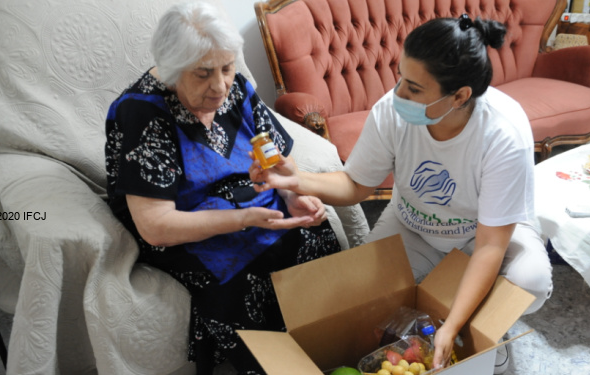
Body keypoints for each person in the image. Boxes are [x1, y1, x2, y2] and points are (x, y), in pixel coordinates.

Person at [251, 15, 552, 374]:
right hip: (414, 224)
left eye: (414, 88)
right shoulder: (391, 113)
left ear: (459, 96)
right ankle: (446, 304)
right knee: (359, 297)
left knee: (529, 282)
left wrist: (453, 327)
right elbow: (355, 185)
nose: (397, 94)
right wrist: (296, 179)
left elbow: (490, 246)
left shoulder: (502, 134)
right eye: (399, 77)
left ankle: (486, 332)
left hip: (484, 234)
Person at [104, 2, 341, 373]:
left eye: (227, 68)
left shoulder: (236, 88)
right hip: (194, 228)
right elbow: (155, 226)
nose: (219, 86)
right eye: (202, 74)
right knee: (245, 269)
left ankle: (333, 349)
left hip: (258, 207)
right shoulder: (141, 113)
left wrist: (294, 195)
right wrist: (243, 219)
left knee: (315, 236)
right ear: (171, 70)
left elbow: (276, 157)